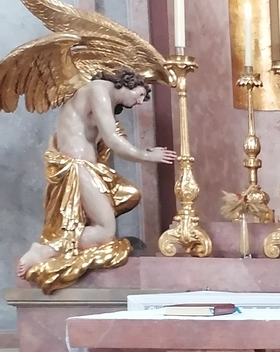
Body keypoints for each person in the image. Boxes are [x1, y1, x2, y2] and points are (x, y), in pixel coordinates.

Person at [17, 70, 174, 284]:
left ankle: (64, 244)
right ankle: (45, 250)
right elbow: (112, 140)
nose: (139, 101)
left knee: (129, 195)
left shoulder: (100, 97)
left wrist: (141, 150)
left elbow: (103, 138)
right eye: (140, 94)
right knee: (105, 231)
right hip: (78, 166)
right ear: (129, 83)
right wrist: (147, 156)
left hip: (89, 167)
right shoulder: (99, 89)